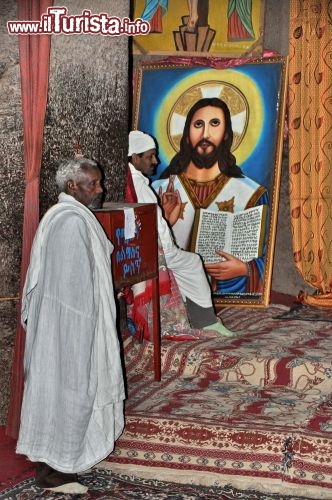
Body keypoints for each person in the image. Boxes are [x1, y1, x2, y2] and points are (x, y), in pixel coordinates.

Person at [16, 158, 125, 494]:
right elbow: (69, 294)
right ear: (72, 186)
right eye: (93, 183)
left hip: (71, 328)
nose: (101, 189)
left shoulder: (74, 217)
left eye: (99, 182)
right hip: (67, 332)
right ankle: (53, 473)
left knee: (71, 395)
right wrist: (85, 336)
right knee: (67, 393)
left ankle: (67, 460)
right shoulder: (68, 223)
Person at [152, 97, 269, 295]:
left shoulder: (251, 194)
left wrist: (245, 269)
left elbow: (267, 255)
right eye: (198, 125)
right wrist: (162, 222)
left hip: (228, 296)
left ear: (226, 135)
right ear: (187, 135)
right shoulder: (158, 190)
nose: (205, 134)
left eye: (215, 124)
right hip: (171, 293)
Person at [127, 130, 234, 337]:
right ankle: (206, 321)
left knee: (186, 265)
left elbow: (153, 219)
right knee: (192, 262)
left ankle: (195, 317)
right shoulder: (137, 184)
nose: (156, 161)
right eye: (150, 156)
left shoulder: (135, 182)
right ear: (135, 158)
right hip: (154, 251)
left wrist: (167, 214)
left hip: (156, 247)